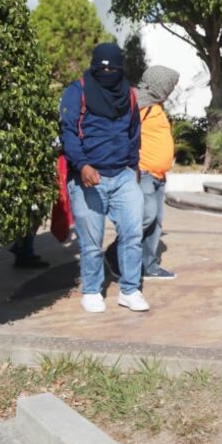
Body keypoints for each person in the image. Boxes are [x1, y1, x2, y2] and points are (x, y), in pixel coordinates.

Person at [60, 43, 148, 314]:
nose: (107, 71)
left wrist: (133, 166)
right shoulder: (77, 91)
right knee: (91, 241)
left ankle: (130, 290)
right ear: (94, 65)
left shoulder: (129, 95)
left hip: (122, 175)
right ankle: (91, 290)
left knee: (133, 234)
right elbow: (68, 132)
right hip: (88, 176)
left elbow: (134, 131)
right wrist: (82, 165)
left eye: (113, 67)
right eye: (102, 67)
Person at [106, 66, 180, 280]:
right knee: (144, 217)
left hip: (159, 174)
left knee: (155, 222)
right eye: (169, 86)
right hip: (143, 173)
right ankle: (115, 254)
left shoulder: (155, 105)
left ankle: (149, 266)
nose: (170, 91)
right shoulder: (136, 103)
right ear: (160, 84)